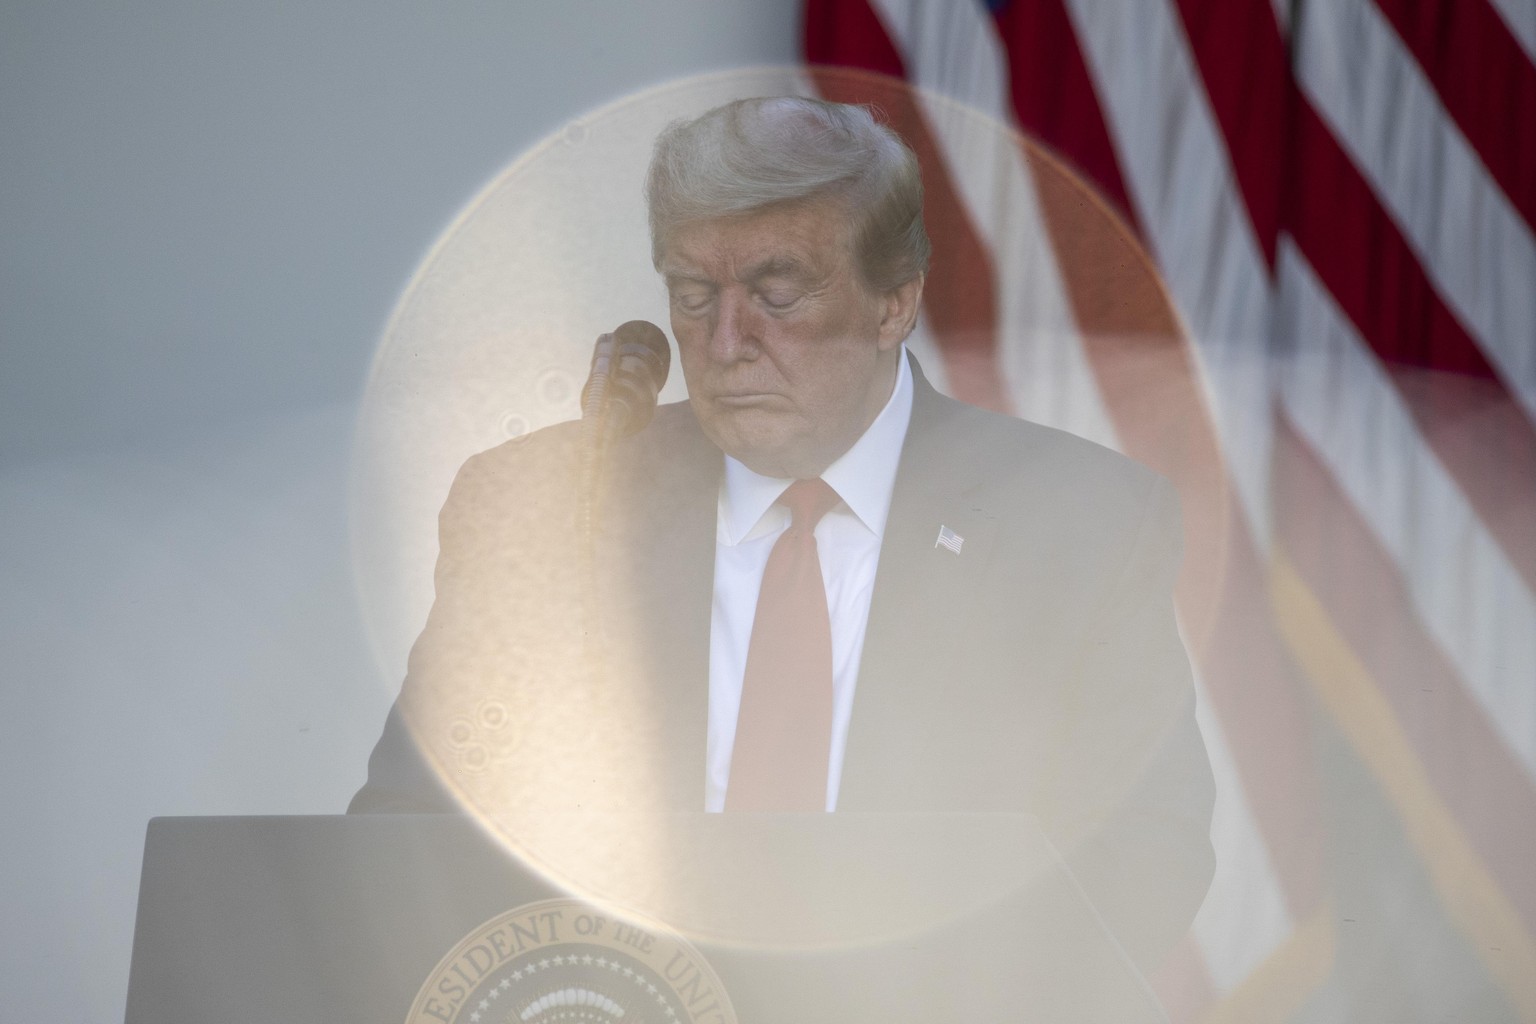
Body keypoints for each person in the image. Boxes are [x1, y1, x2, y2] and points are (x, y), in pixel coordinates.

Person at [351, 96, 1214, 971]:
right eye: (693, 296)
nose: (726, 342)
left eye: (777, 294)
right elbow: (406, 841)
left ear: (894, 305)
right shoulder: (548, 508)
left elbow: (1144, 855)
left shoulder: (1076, 524)